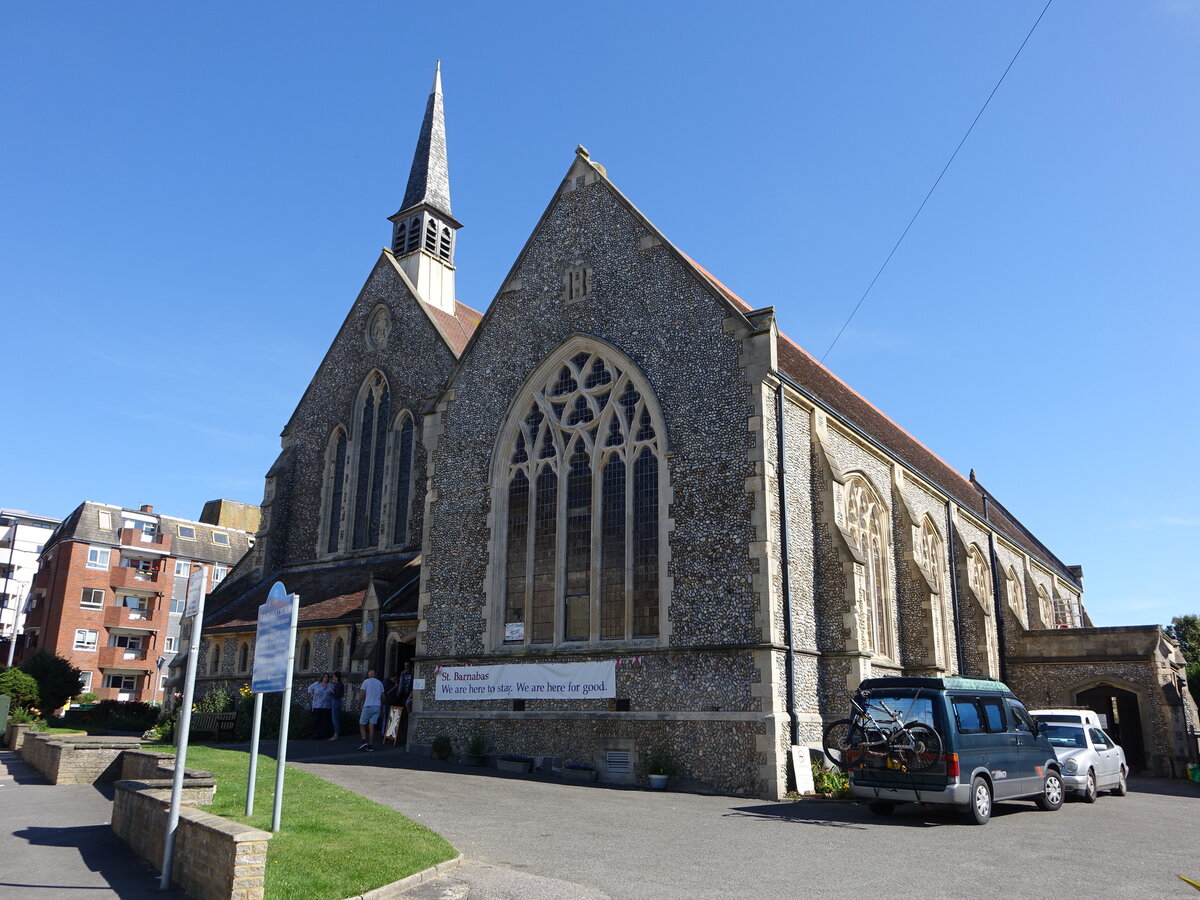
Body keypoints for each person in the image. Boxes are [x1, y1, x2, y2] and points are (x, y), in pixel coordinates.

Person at [358, 668, 385, 751]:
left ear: (369, 675)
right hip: (377, 706)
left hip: (368, 705)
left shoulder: (366, 682)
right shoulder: (380, 683)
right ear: (375, 675)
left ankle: (363, 741)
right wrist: (382, 705)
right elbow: (383, 696)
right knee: (371, 726)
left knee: (362, 724)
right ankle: (370, 745)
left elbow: (362, 694)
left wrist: (359, 703)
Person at [307, 673, 333, 740]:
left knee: (325, 721)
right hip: (317, 705)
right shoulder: (317, 684)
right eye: (324, 677)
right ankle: (316, 735)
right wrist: (313, 696)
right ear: (322, 678)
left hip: (326, 706)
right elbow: (309, 689)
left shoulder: (330, 685)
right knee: (317, 721)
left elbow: (333, 692)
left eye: (327, 677)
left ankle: (323, 735)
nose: (326, 679)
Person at [398, 660, 414, 742]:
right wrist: (399, 693)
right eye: (405, 665)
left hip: (411, 694)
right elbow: (401, 683)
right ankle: (405, 731)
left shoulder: (414, 672)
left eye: (407, 665)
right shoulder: (403, 673)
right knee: (404, 713)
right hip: (404, 694)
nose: (406, 667)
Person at [328, 671, 346, 741]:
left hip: (335, 702)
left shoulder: (339, 684)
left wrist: (332, 690)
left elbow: (337, 694)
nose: (333, 677)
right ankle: (336, 734)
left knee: (334, 719)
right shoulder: (340, 684)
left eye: (333, 676)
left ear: (336, 677)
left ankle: (335, 735)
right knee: (336, 718)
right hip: (337, 702)